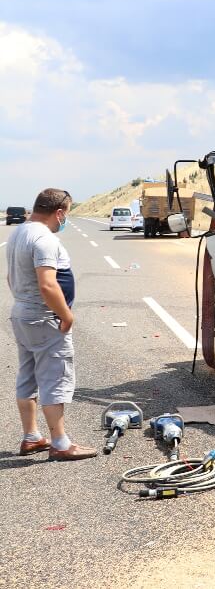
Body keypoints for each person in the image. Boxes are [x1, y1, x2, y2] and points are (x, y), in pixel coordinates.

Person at [7, 188, 96, 460]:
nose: (65, 220)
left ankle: (32, 437)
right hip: (44, 318)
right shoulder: (44, 239)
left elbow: (12, 278)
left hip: (22, 314)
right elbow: (48, 284)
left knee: (28, 377)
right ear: (59, 212)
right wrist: (66, 316)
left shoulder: (19, 232)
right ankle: (60, 443)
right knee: (54, 378)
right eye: (66, 214)